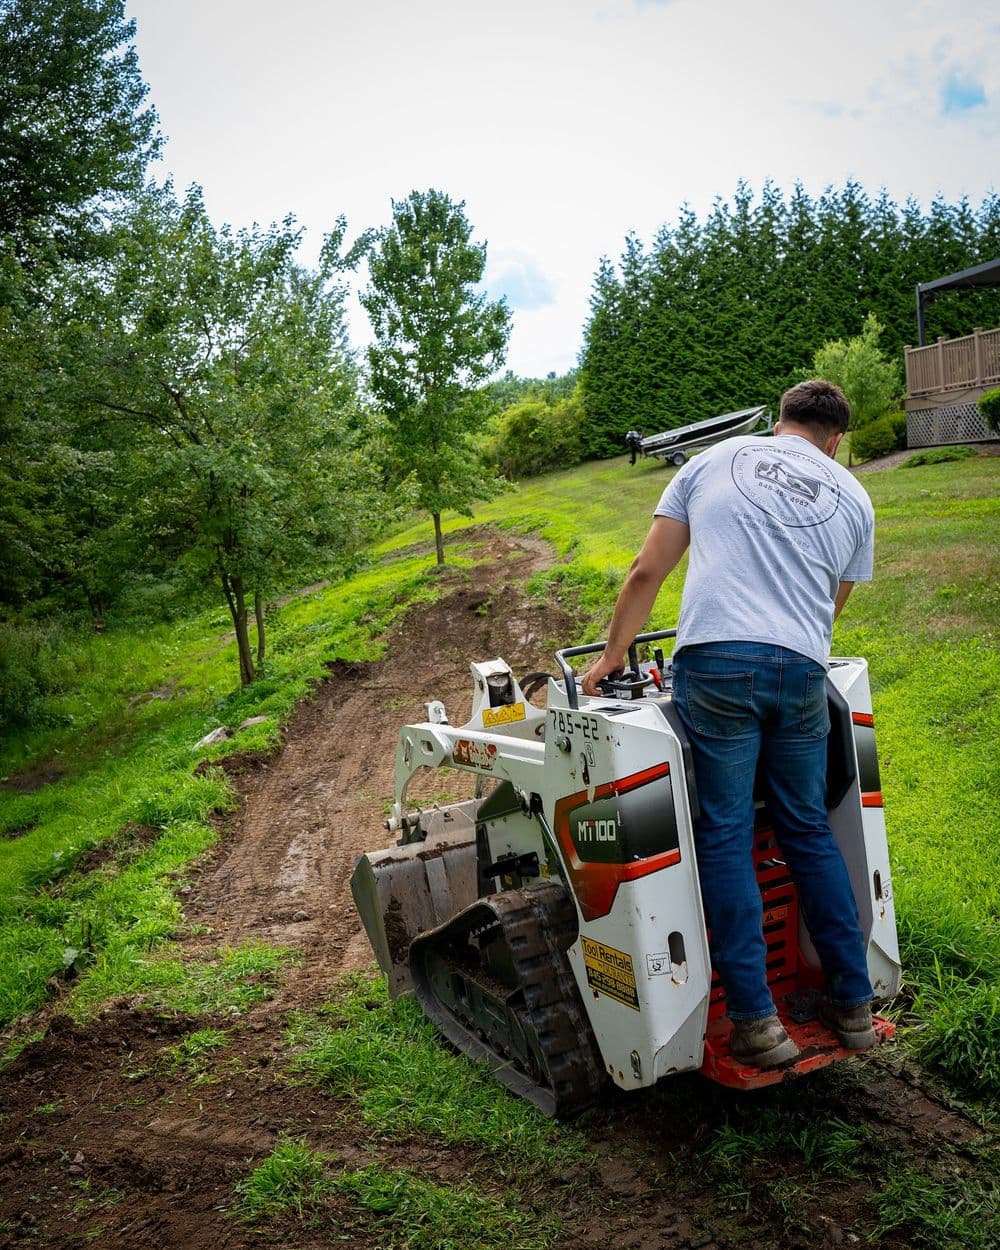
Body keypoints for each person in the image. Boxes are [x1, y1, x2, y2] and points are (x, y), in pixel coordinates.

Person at [582, 380, 877, 1069]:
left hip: (714, 664)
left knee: (724, 830)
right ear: (836, 441)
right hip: (803, 671)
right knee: (806, 826)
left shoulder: (714, 460)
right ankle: (855, 1003)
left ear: (780, 422)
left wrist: (612, 656)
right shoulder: (854, 495)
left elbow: (645, 571)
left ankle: (756, 1023)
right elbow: (830, 608)